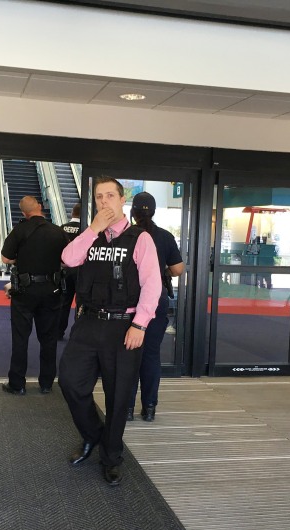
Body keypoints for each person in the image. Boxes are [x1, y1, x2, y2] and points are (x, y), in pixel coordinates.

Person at [58, 176, 160, 486]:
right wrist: (92, 229)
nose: (104, 202)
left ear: (121, 200)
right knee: (71, 382)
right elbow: (67, 259)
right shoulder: (89, 238)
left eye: (110, 196)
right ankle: (93, 435)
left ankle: (111, 456)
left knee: (118, 396)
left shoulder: (139, 238)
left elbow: (152, 285)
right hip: (88, 324)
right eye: (99, 197)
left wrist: (140, 324)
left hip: (123, 327)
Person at [1, 196, 68, 395]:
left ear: (23, 212)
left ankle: (17, 384)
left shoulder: (20, 230)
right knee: (48, 339)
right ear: (39, 207)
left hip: (24, 291)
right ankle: (46, 383)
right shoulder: (58, 231)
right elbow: (68, 259)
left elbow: (6, 257)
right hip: (51, 290)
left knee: (20, 338)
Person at [126, 192, 184, 422]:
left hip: (130, 302)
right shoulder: (165, 237)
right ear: (154, 211)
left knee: (129, 356)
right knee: (151, 355)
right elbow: (178, 269)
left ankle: (127, 409)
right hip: (156, 301)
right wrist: (162, 273)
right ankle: (149, 408)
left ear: (133, 213)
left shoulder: (127, 235)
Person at [58, 203, 82, 340]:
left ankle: (58, 331)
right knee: (81, 302)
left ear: (72, 213)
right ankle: (77, 333)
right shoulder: (86, 228)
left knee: (64, 301)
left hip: (65, 269)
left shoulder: (62, 228)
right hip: (80, 270)